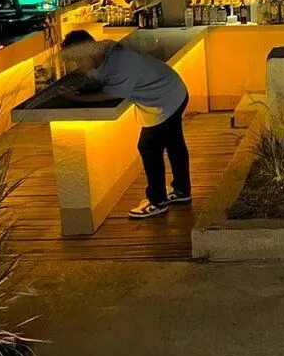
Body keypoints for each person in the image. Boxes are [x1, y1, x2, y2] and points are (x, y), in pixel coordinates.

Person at [59, 30, 191, 218]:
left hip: (165, 99)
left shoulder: (120, 61)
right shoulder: (104, 55)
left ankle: (158, 201)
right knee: (174, 144)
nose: (78, 66)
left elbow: (113, 93)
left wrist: (79, 98)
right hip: (172, 92)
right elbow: (101, 79)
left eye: (78, 60)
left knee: (148, 147)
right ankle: (182, 190)